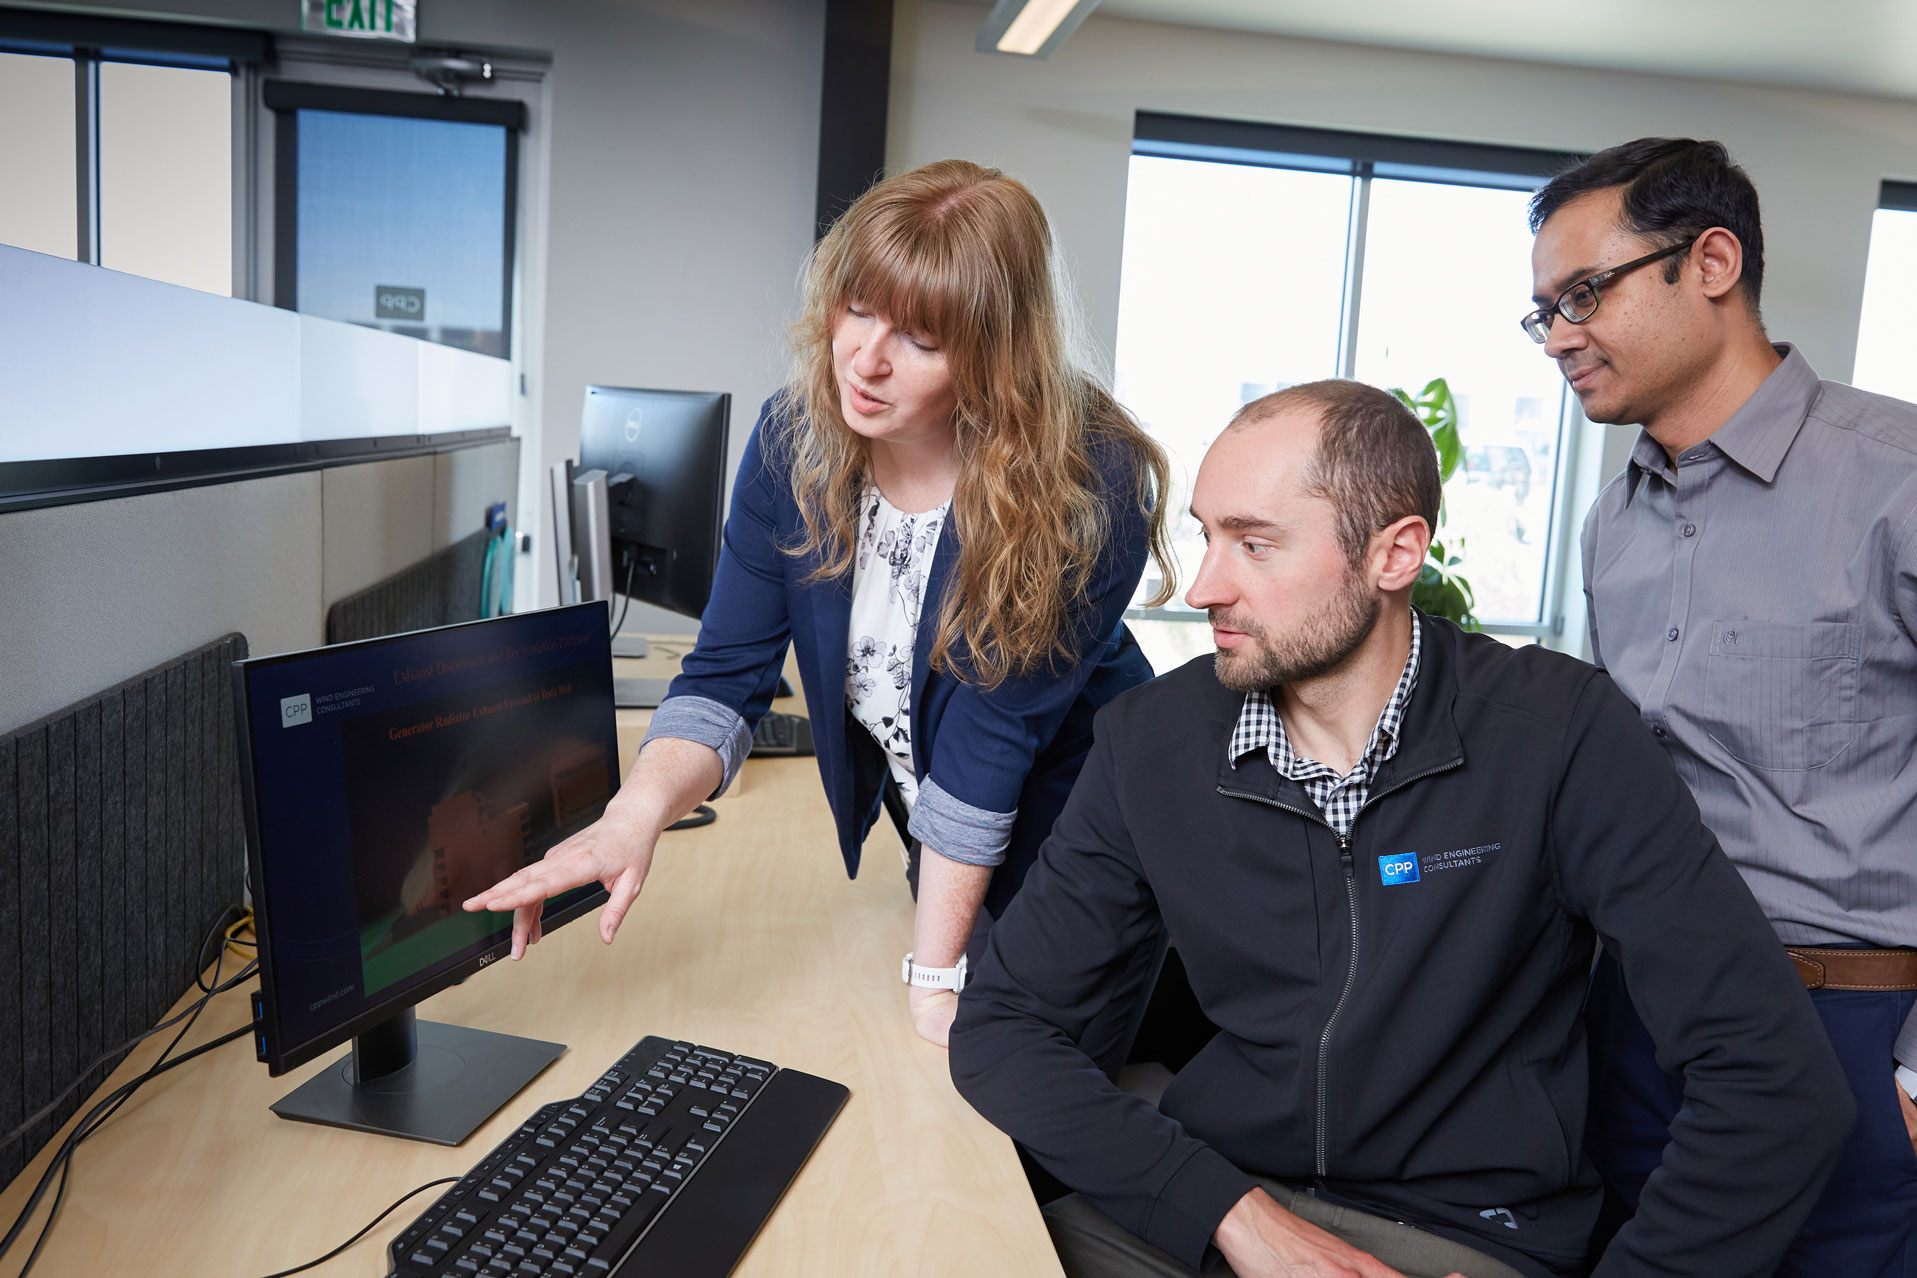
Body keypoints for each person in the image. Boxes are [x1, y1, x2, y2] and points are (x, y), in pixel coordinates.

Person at [948, 380, 1850, 1278]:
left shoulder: (1558, 734)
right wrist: (1226, 1211)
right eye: (1205, 533)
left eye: (1254, 544)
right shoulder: (1150, 742)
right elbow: (1003, 1029)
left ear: (1394, 554)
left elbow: (1775, 1084)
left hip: (1462, 1235)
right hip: (1220, 1204)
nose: (1202, 585)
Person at [464, 159, 1176, 1056]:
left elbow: (990, 743)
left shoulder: (1085, 481)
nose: (865, 359)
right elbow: (724, 678)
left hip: (1081, 840)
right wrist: (630, 816)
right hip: (946, 834)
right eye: (858, 308)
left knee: (1008, 1102)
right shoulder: (796, 441)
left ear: (998, 354)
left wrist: (934, 978)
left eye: (921, 339)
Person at [1525, 136, 1917, 1276]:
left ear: (1710, 262)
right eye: (1542, 310)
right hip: (1641, 1021)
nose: (1559, 336)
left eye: (1584, 294)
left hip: (1845, 1026)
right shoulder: (1615, 526)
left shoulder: (1896, 480)